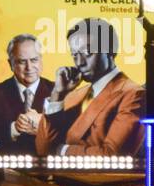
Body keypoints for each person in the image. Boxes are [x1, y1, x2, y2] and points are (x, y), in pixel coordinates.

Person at [37, 19, 144, 156]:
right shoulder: (73, 96)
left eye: (88, 52)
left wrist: (62, 151)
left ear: (110, 50)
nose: (79, 63)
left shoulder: (134, 94)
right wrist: (57, 94)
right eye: (75, 55)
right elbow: (43, 149)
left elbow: (112, 156)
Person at [0, 34, 53, 154]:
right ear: (11, 64)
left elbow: (74, 139)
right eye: (22, 62)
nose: (29, 67)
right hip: (7, 171)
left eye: (34, 60)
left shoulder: (60, 91)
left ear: (41, 60)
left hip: (49, 170)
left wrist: (43, 128)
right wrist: (14, 128)